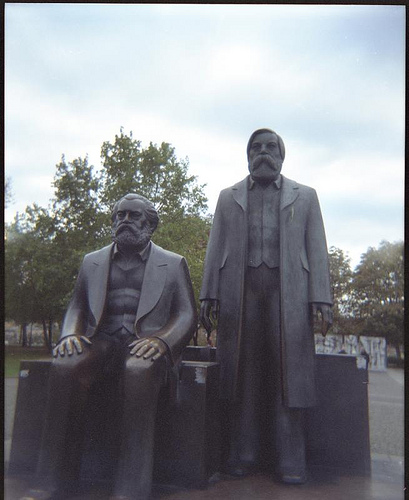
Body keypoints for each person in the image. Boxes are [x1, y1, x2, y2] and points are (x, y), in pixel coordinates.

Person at [23, 193, 197, 500]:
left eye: (133, 215)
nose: (125, 221)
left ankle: (131, 487)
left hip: (146, 343)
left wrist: (162, 340)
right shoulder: (91, 262)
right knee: (66, 363)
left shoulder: (173, 263)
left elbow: (186, 315)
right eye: (120, 215)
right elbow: (77, 306)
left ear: (150, 224)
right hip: (102, 341)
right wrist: (69, 334)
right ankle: (53, 480)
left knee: (139, 368)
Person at [200, 128, 333, 484]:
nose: (262, 152)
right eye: (255, 147)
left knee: (288, 374)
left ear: (282, 155)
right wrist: (208, 291)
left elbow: (317, 247)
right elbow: (216, 245)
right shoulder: (228, 197)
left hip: (288, 294)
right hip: (239, 294)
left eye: (270, 147)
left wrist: (321, 296)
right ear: (247, 155)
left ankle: (291, 458)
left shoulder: (305, 196)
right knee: (242, 373)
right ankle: (242, 453)